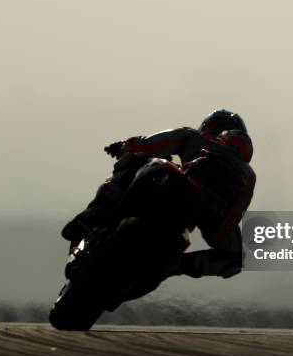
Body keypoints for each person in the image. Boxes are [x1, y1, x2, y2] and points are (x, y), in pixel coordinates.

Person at [61, 109, 256, 278]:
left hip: (181, 197)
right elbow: (235, 214)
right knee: (237, 258)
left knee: (135, 159)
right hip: (203, 214)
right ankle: (173, 266)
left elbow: (148, 144)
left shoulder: (195, 137)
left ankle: (96, 211)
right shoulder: (248, 176)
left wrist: (124, 146)